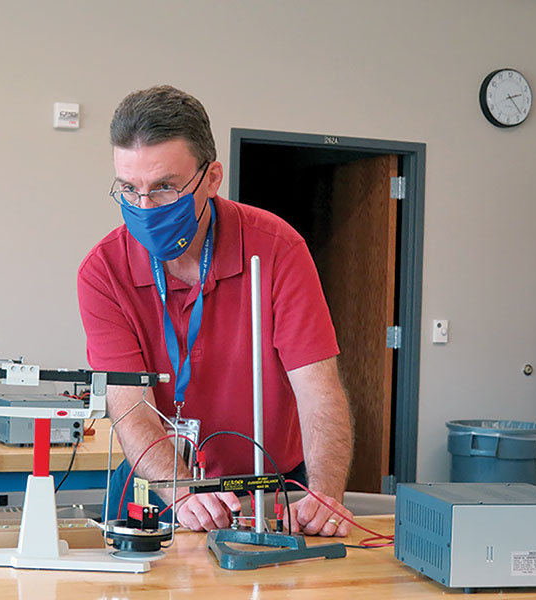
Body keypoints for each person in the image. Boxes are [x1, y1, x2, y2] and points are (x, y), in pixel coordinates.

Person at [77, 85, 353, 537]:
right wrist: (183, 491)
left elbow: (318, 388)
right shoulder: (103, 271)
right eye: (130, 189)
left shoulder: (278, 250)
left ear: (211, 177)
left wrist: (324, 494)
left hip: (273, 488)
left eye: (164, 187)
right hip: (164, 487)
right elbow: (131, 409)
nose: (144, 208)